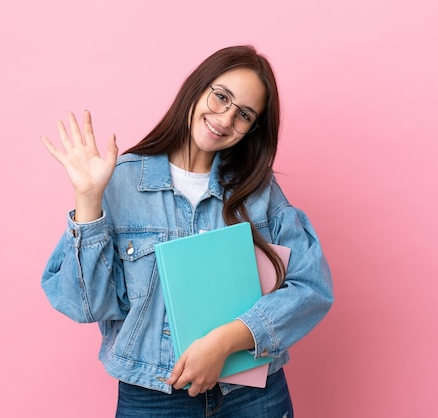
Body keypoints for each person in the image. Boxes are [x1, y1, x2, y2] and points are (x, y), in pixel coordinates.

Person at [41, 45, 333, 417]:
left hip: (252, 395)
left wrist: (227, 340)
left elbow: (312, 287)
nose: (225, 120)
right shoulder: (121, 180)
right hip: (152, 396)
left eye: (244, 114)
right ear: (196, 88)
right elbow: (84, 307)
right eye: (221, 97)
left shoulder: (260, 191)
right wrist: (88, 199)